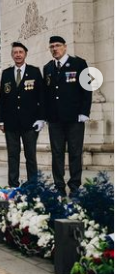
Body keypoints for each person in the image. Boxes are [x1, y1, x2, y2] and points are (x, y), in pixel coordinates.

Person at [43, 35, 92, 195]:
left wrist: (84, 112)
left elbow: (87, 89)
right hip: (55, 120)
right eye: (52, 47)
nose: (55, 49)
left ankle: (75, 185)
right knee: (57, 153)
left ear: (65, 47)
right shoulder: (48, 68)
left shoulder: (79, 64)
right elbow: (47, 94)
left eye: (57, 45)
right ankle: (59, 186)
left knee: (75, 152)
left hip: (74, 118)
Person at [0, 41, 45, 188]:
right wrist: (1, 120)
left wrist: (41, 118)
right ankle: (13, 185)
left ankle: (33, 185)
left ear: (25, 54)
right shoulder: (6, 74)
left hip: (30, 123)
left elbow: (41, 96)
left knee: (30, 155)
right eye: (15, 52)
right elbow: (2, 98)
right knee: (13, 155)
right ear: (12, 55)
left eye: (20, 52)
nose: (18, 55)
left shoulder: (34, 71)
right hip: (11, 123)